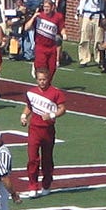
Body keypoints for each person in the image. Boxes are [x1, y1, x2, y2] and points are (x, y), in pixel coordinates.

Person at [20, 70, 68, 198]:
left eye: (44, 79)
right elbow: (29, 106)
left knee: (47, 159)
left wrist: (51, 115)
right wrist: (24, 115)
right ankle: (33, 186)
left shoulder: (56, 93)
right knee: (32, 159)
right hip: (34, 129)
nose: (42, 82)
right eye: (39, 79)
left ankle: (46, 184)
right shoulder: (31, 93)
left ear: (48, 79)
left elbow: (62, 109)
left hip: (48, 130)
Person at [76, 0, 106, 66]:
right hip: (87, 14)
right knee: (84, 37)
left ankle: (98, 59)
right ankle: (84, 58)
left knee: (98, 39)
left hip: (98, 15)